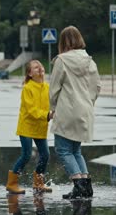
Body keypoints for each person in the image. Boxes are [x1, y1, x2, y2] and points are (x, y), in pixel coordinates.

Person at [49, 26, 101, 199]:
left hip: (67, 110)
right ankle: (86, 187)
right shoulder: (90, 61)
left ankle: (78, 186)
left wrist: (53, 108)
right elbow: (97, 87)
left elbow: (54, 88)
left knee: (63, 150)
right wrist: (89, 102)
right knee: (75, 150)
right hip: (85, 110)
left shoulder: (61, 61)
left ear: (63, 42)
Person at [6, 60, 53, 194]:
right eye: (35, 67)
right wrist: (47, 115)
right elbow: (32, 110)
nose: (39, 68)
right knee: (26, 155)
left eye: (40, 66)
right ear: (30, 73)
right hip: (26, 127)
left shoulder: (47, 87)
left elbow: (53, 103)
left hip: (40, 126)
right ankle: (12, 183)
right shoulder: (27, 88)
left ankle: (38, 183)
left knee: (45, 155)